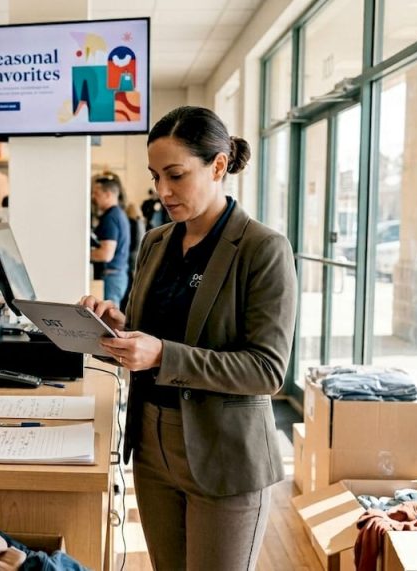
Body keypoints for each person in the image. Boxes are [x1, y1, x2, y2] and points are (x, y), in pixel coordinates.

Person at [80, 106, 297, 570]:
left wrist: (161, 354)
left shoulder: (262, 249)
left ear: (218, 166)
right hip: (153, 446)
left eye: (176, 175)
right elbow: (157, 329)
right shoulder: (156, 242)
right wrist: (117, 325)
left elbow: (267, 370)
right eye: (156, 176)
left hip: (224, 456)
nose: (162, 191)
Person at [90, 174, 130, 305]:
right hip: (118, 276)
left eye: (96, 193)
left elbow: (105, 254)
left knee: (109, 321)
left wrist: (83, 255)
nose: (93, 197)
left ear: (108, 194)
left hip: (111, 278)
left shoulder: (110, 218)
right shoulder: (118, 214)